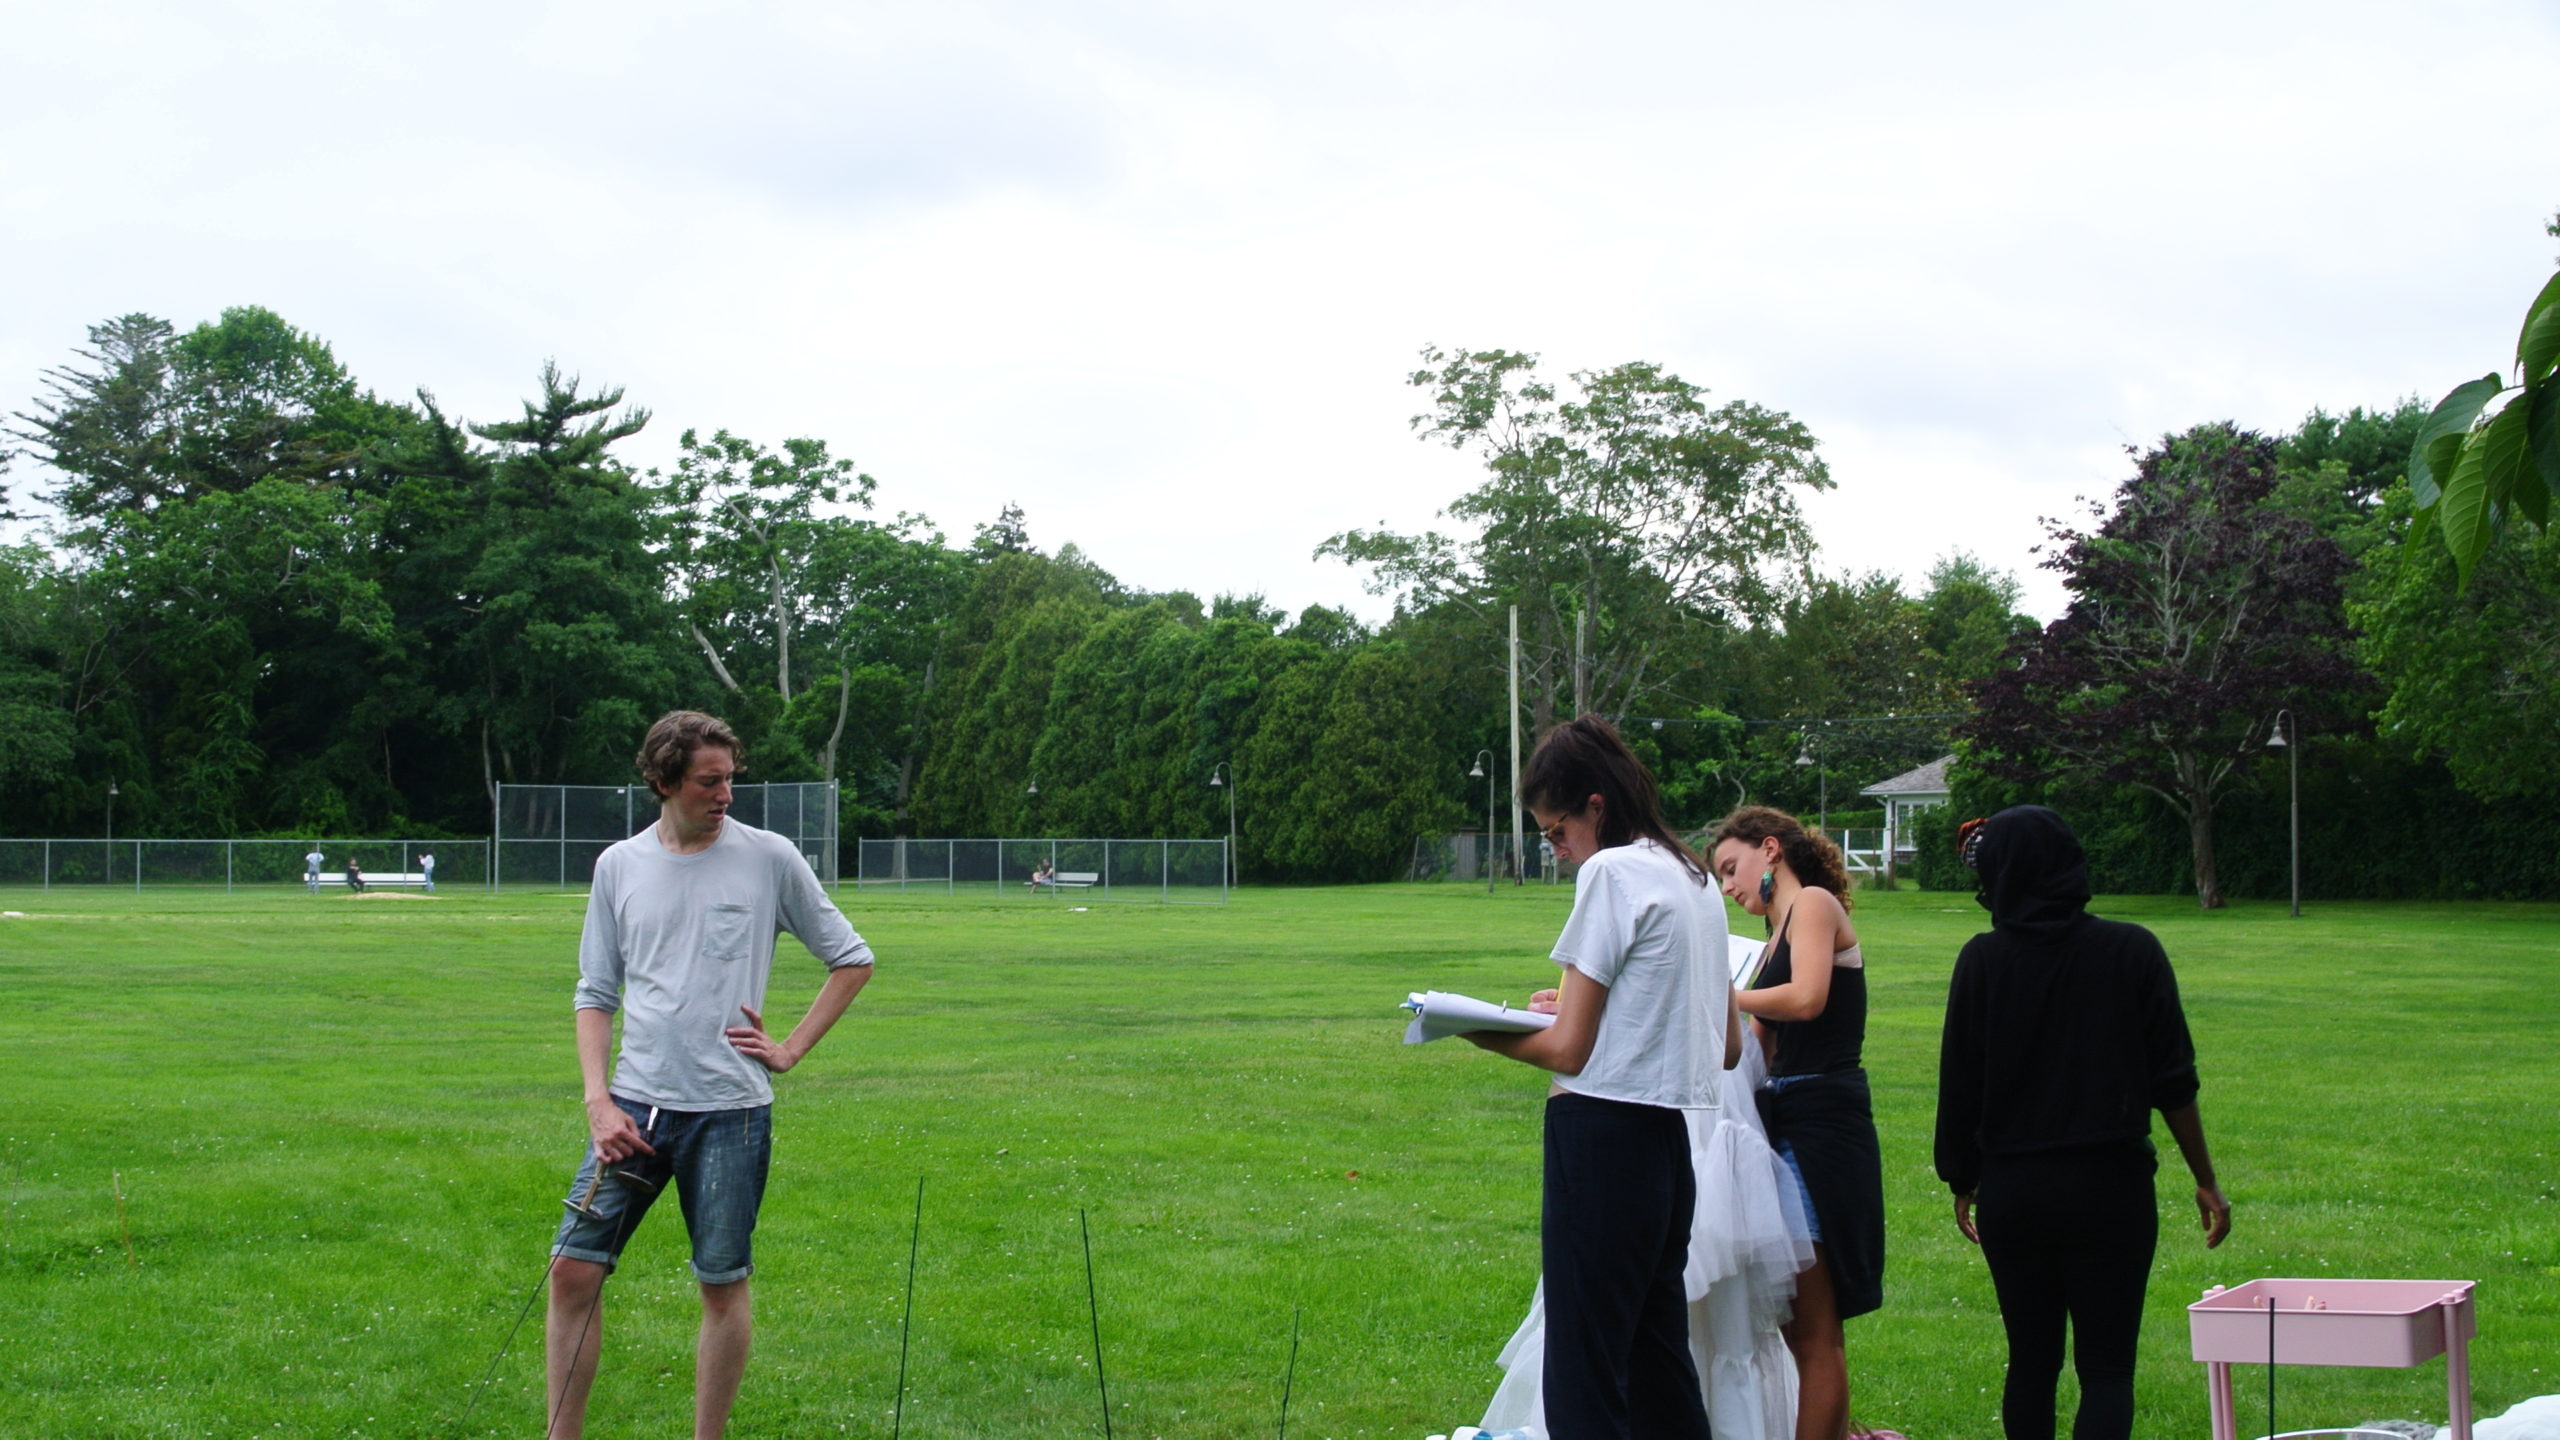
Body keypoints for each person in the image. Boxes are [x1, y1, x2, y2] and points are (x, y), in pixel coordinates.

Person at [545, 710, 876, 1440]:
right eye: (708, 781)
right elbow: (595, 993)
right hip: (633, 1111)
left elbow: (852, 958)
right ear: (664, 782)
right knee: (573, 1269)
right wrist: (598, 1101)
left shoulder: (770, 858)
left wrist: (788, 1049)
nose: (725, 793)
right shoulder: (619, 867)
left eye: (730, 779)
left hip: (732, 1114)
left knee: (721, 1283)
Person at [1459, 715, 1742, 1440]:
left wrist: (1468, 1026)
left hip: (1600, 1140)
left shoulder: (1611, 872)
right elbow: (1726, 1043)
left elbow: (1570, 1050)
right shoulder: (1695, 877)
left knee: (1584, 1371)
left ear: (1596, 805)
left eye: (1557, 831)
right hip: (1665, 1152)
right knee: (1657, 1362)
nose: (1555, 851)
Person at [1935, 806, 2230, 1440]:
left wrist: (1961, 1177)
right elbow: (2173, 1081)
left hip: (2015, 1190)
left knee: (2032, 1363)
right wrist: (2204, 1178)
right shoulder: (2132, 950)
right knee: (2106, 1369)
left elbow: (1960, 1082)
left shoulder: (1982, 960)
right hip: (2111, 1185)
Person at [1710, 806, 1886, 1440]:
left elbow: (1807, 998)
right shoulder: (1772, 940)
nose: (1728, 887)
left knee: (1814, 1332)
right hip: (1787, 1120)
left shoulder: (1811, 904)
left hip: (1822, 1125)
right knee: (1802, 1327)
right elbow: (1753, 1049)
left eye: (1732, 869)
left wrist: (1718, 994)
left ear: (1770, 848)